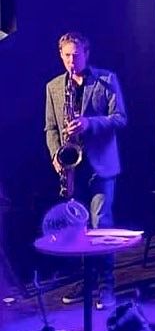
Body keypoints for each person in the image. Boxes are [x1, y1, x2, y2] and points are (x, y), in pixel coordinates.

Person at [44, 31, 127, 310]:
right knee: (78, 228)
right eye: (67, 55)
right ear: (60, 55)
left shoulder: (107, 79)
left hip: (101, 165)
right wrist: (55, 155)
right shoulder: (53, 87)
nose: (71, 61)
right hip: (72, 169)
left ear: (87, 54)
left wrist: (89, 123)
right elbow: (50, 128)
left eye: (76, 55)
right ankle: (87, 281)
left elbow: (120, 119)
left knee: (101, 224)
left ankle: (106, 286)